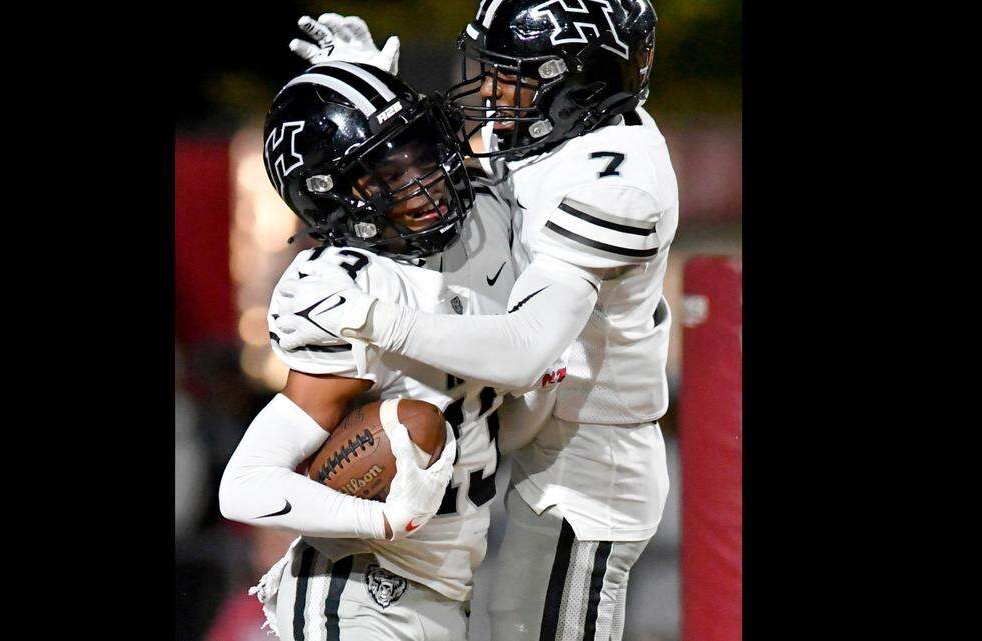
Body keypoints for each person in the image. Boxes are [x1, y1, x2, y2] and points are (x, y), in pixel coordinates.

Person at [277, 3, 676, 639]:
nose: (489, 89)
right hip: (519, 419)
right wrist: (365, 101)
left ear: (579, 83)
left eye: (512, 73)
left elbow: (525, 350)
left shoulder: (617, 180)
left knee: (534, 627)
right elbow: (442, 191)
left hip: (587, 449)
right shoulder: (546, 129)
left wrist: (375, 318)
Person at [219, 61, 520, 640]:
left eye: (419, 153)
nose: (422, 181)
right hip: (361, 587)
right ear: (332, 198)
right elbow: (247, 484)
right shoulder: (349, 287)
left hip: (446, 579)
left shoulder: (473, 237)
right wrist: (379, 518)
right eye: (385, 172)